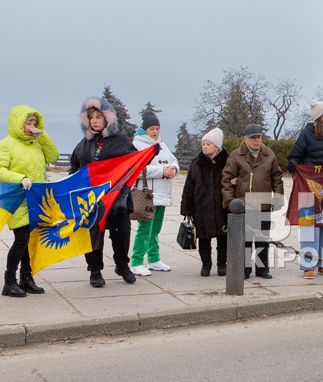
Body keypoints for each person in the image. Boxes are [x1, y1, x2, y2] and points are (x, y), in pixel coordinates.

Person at [0, 105, 59, 296]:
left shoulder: (36, 143)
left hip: (37, 199)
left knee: (30, 240)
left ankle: (26, 278)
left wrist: (42, 136)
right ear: (18, 123)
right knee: (21, 240)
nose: (31, 126)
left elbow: (53, 156)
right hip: (17, 198)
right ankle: (9, 281)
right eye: (28, 123)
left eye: (34, 123)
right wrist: (19, 178)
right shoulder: (6, 144)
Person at [70, 97, 137, 287]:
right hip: (92, 199)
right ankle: (95, 271)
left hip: (118, 198)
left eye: (99, 116)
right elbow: (74, 167)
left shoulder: (121, 141)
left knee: (122, 235)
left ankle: (122, 266)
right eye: (91, 117)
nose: (95, 121)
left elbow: (134, 162)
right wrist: (74, 188)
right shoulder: (84, 144)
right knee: (93, 235)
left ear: (108, 118)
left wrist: (151, 153)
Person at [288, 101, 323, 277]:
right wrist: (294, 169)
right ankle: (308, 265)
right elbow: (294, 157)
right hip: (309, 190)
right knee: (309, 228)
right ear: (320, 116)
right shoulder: (306, 135)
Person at [222, 124, 284, 279]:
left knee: (262, 238)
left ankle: (262, 269)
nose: (257, 141)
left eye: (259, 137)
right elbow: (227, 180)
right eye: (253, 138)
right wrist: (230, 202)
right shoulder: (236, 156)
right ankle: (244, 269)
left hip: (263, 202)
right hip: (244, 203)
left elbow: (277, 178)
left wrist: (278, 198)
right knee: (246, 239)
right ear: (245, 139)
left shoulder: (269, 155)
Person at [129, 110, 179, 277]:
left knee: (155, 229)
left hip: (162, 193)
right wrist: (161, 171)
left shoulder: (162, 145)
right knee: (145, 229)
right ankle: (136, 261)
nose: (155, 131)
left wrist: (174, 169)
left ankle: (154, 258)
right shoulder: (137, 145)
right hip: (147, 193)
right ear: (144, 129)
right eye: (151, 128)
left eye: (157, 128)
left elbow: (173, 161)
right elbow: (136, 169)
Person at [180, 128, 228, 277]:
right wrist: (187, 208)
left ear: (217, 146)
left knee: (223, 239)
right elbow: (189, 187)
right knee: (204, 239)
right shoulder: (196, 163)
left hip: (222, 207)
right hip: (202, 207)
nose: (205, 147)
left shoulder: (228, 161)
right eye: (203, 144)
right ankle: (206, 265)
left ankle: (222, 265)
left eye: (208, 144)